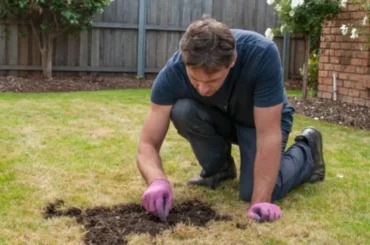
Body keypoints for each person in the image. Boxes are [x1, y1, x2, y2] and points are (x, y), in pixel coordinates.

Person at [136, 16, 325, 223]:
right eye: (195, 79)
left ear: (232, 61)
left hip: (258, 122)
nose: (203, 89)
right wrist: (157, 181)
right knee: (183, 110)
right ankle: (220, 170)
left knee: (254, 191)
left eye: (212, 80)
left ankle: (308, 151)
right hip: (222, 116)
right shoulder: (173, 72)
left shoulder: (261, 54)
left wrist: (259, 201)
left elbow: (268, 134)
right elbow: (147, 144)